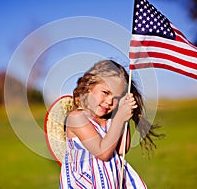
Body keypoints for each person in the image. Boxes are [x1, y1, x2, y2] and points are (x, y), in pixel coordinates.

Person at [59, 60, 160, 189]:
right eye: (105, 93)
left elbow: (122, 149)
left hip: (111, 182)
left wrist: (124, 117)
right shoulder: (77, 118)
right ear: (90, 87)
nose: (109, 102)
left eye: (117, 98)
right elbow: (103, 152)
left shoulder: (111, 120)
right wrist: (119, 118)